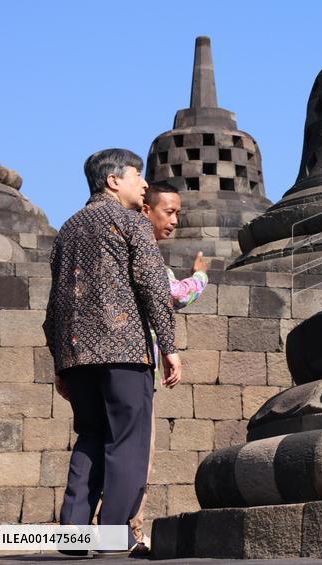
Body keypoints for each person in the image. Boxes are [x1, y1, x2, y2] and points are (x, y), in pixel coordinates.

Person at [43, 149, 182, 556]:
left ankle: (72, 537)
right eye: (138, 175)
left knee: (90, 437)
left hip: (77, 357)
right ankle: (112, 537)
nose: (144, 184)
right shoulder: (129, 223)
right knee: (127, 442)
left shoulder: (67, 230)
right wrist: (169, 346)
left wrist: (59, 362)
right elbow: (154, 289)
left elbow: (55, 306)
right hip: (124, 353)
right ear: (112, 181)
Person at [128, 181, 208, 549]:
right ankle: (130, 532)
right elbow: (171, 295)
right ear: (147, 209)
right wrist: (201, 277)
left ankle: (92, 530)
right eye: (170, 211)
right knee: (138, 453)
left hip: (96, 361)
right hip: (134, 364)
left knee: (100, 447)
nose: (175, 220)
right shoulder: (142, 250)